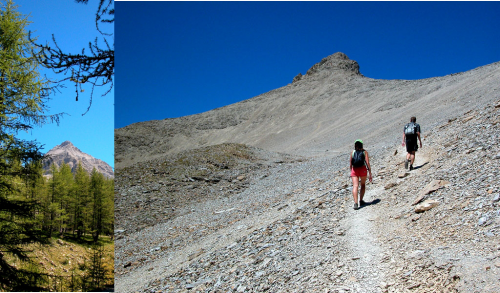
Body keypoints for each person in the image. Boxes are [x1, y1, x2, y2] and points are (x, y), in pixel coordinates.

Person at [350, 139, 372, 210]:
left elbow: (350, 163)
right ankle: (361, 200)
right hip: (362, 169)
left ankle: (356, 203)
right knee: (363, 184)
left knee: (355, 186)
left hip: (354, 170)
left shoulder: (352, 152)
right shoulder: (364, 152)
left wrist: (351, 170)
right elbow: (367, 163)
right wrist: (370, 173)